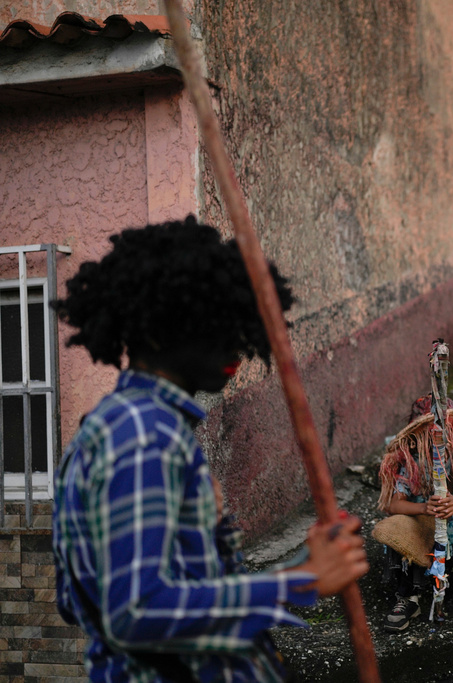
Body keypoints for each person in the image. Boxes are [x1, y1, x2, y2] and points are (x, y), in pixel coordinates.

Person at [51, 217, 369, 682]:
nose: (236, 350)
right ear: (157, 333)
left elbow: (75, 599)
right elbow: (135, 611)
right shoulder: (144, 435)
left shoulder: (112, 428)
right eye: (211, 328)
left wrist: (304, 565)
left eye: (238, 328)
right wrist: (296, 583)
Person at [376, 395, 453, 632]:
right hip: (423, 529)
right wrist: (424, 508)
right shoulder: (411, 462)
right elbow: (394, 505)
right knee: (394, 525)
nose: (439, 438)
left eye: (445, 431)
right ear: (415, 436)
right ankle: (408, 597)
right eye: (430, 433)